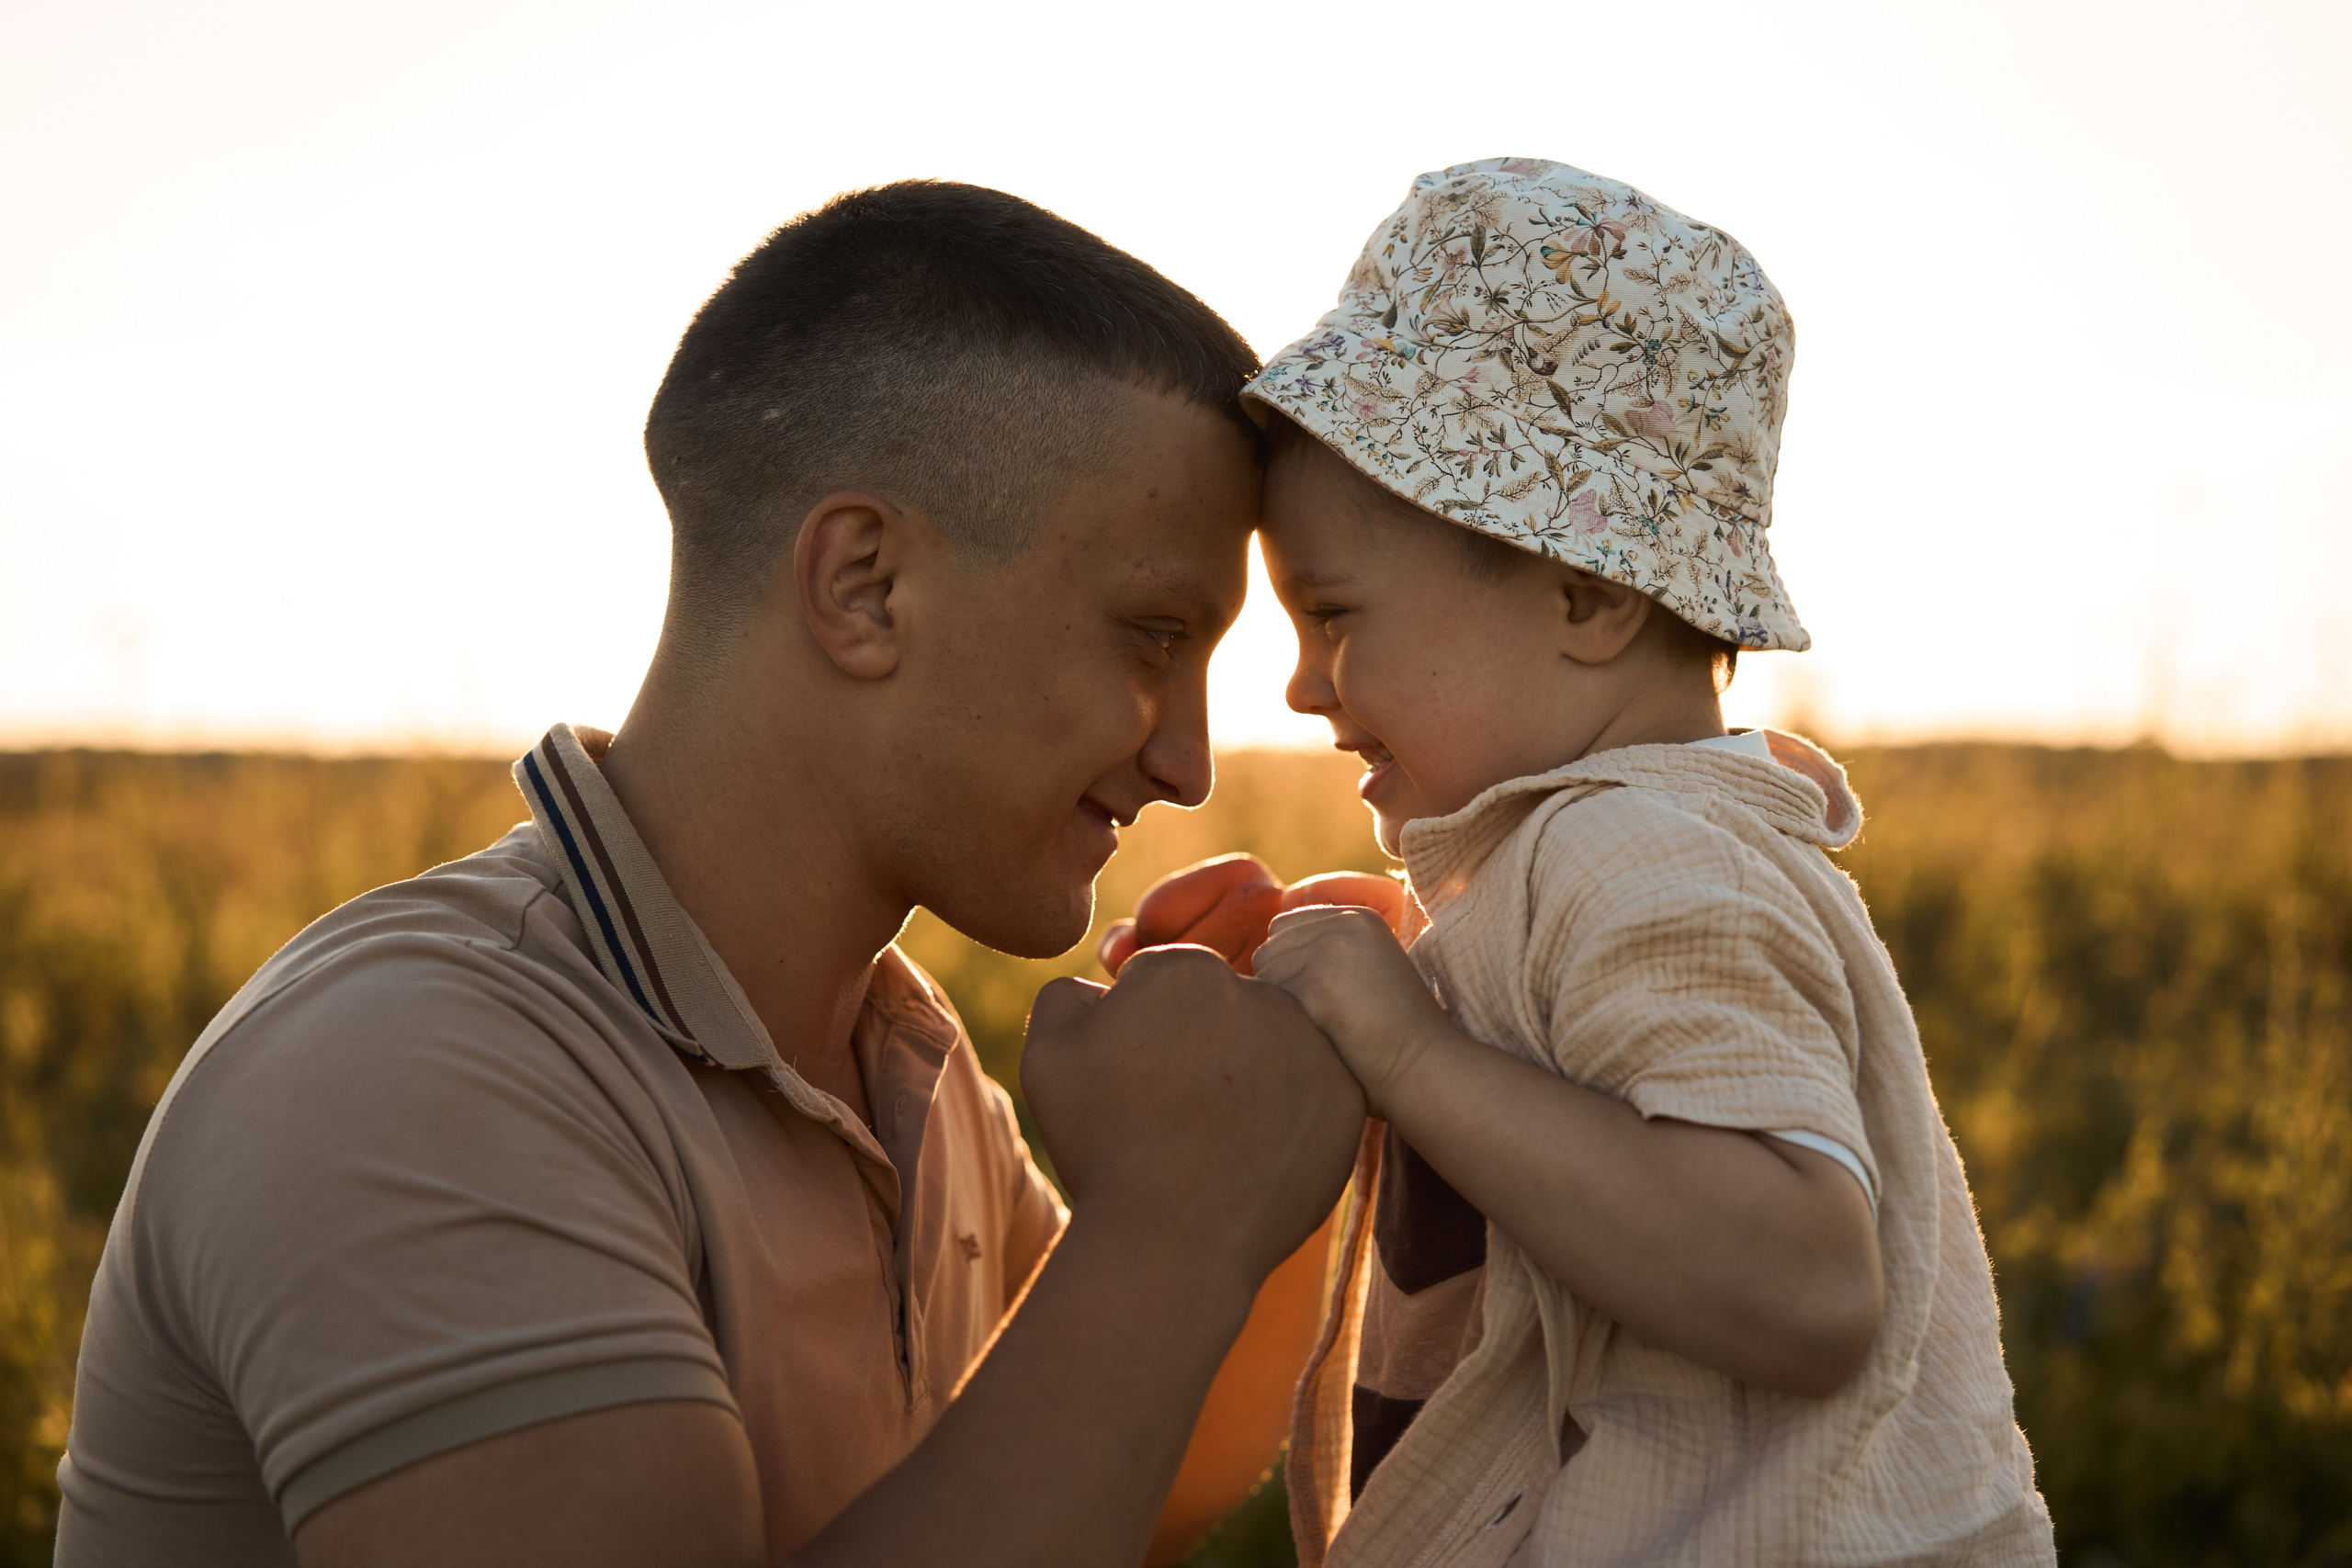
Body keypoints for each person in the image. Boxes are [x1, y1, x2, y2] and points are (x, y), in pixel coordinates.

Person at [53, 181, 1369, 1568]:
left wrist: (1270, 1116)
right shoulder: (416, 1069)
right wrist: (1167, 1221)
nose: (1188, 764)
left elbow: (1113, 1474)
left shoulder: (893, 1062)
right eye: (1153, 636)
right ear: (864, 585)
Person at [1120, 159, 2056, 1565]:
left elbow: (1806, 1285)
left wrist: (1409, 1050)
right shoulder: (1604, 856)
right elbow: (1591, 1094)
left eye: (1334, 615)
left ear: (1590, 596)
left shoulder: (1638, 855)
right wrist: (1402, 977)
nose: (1302, 686)